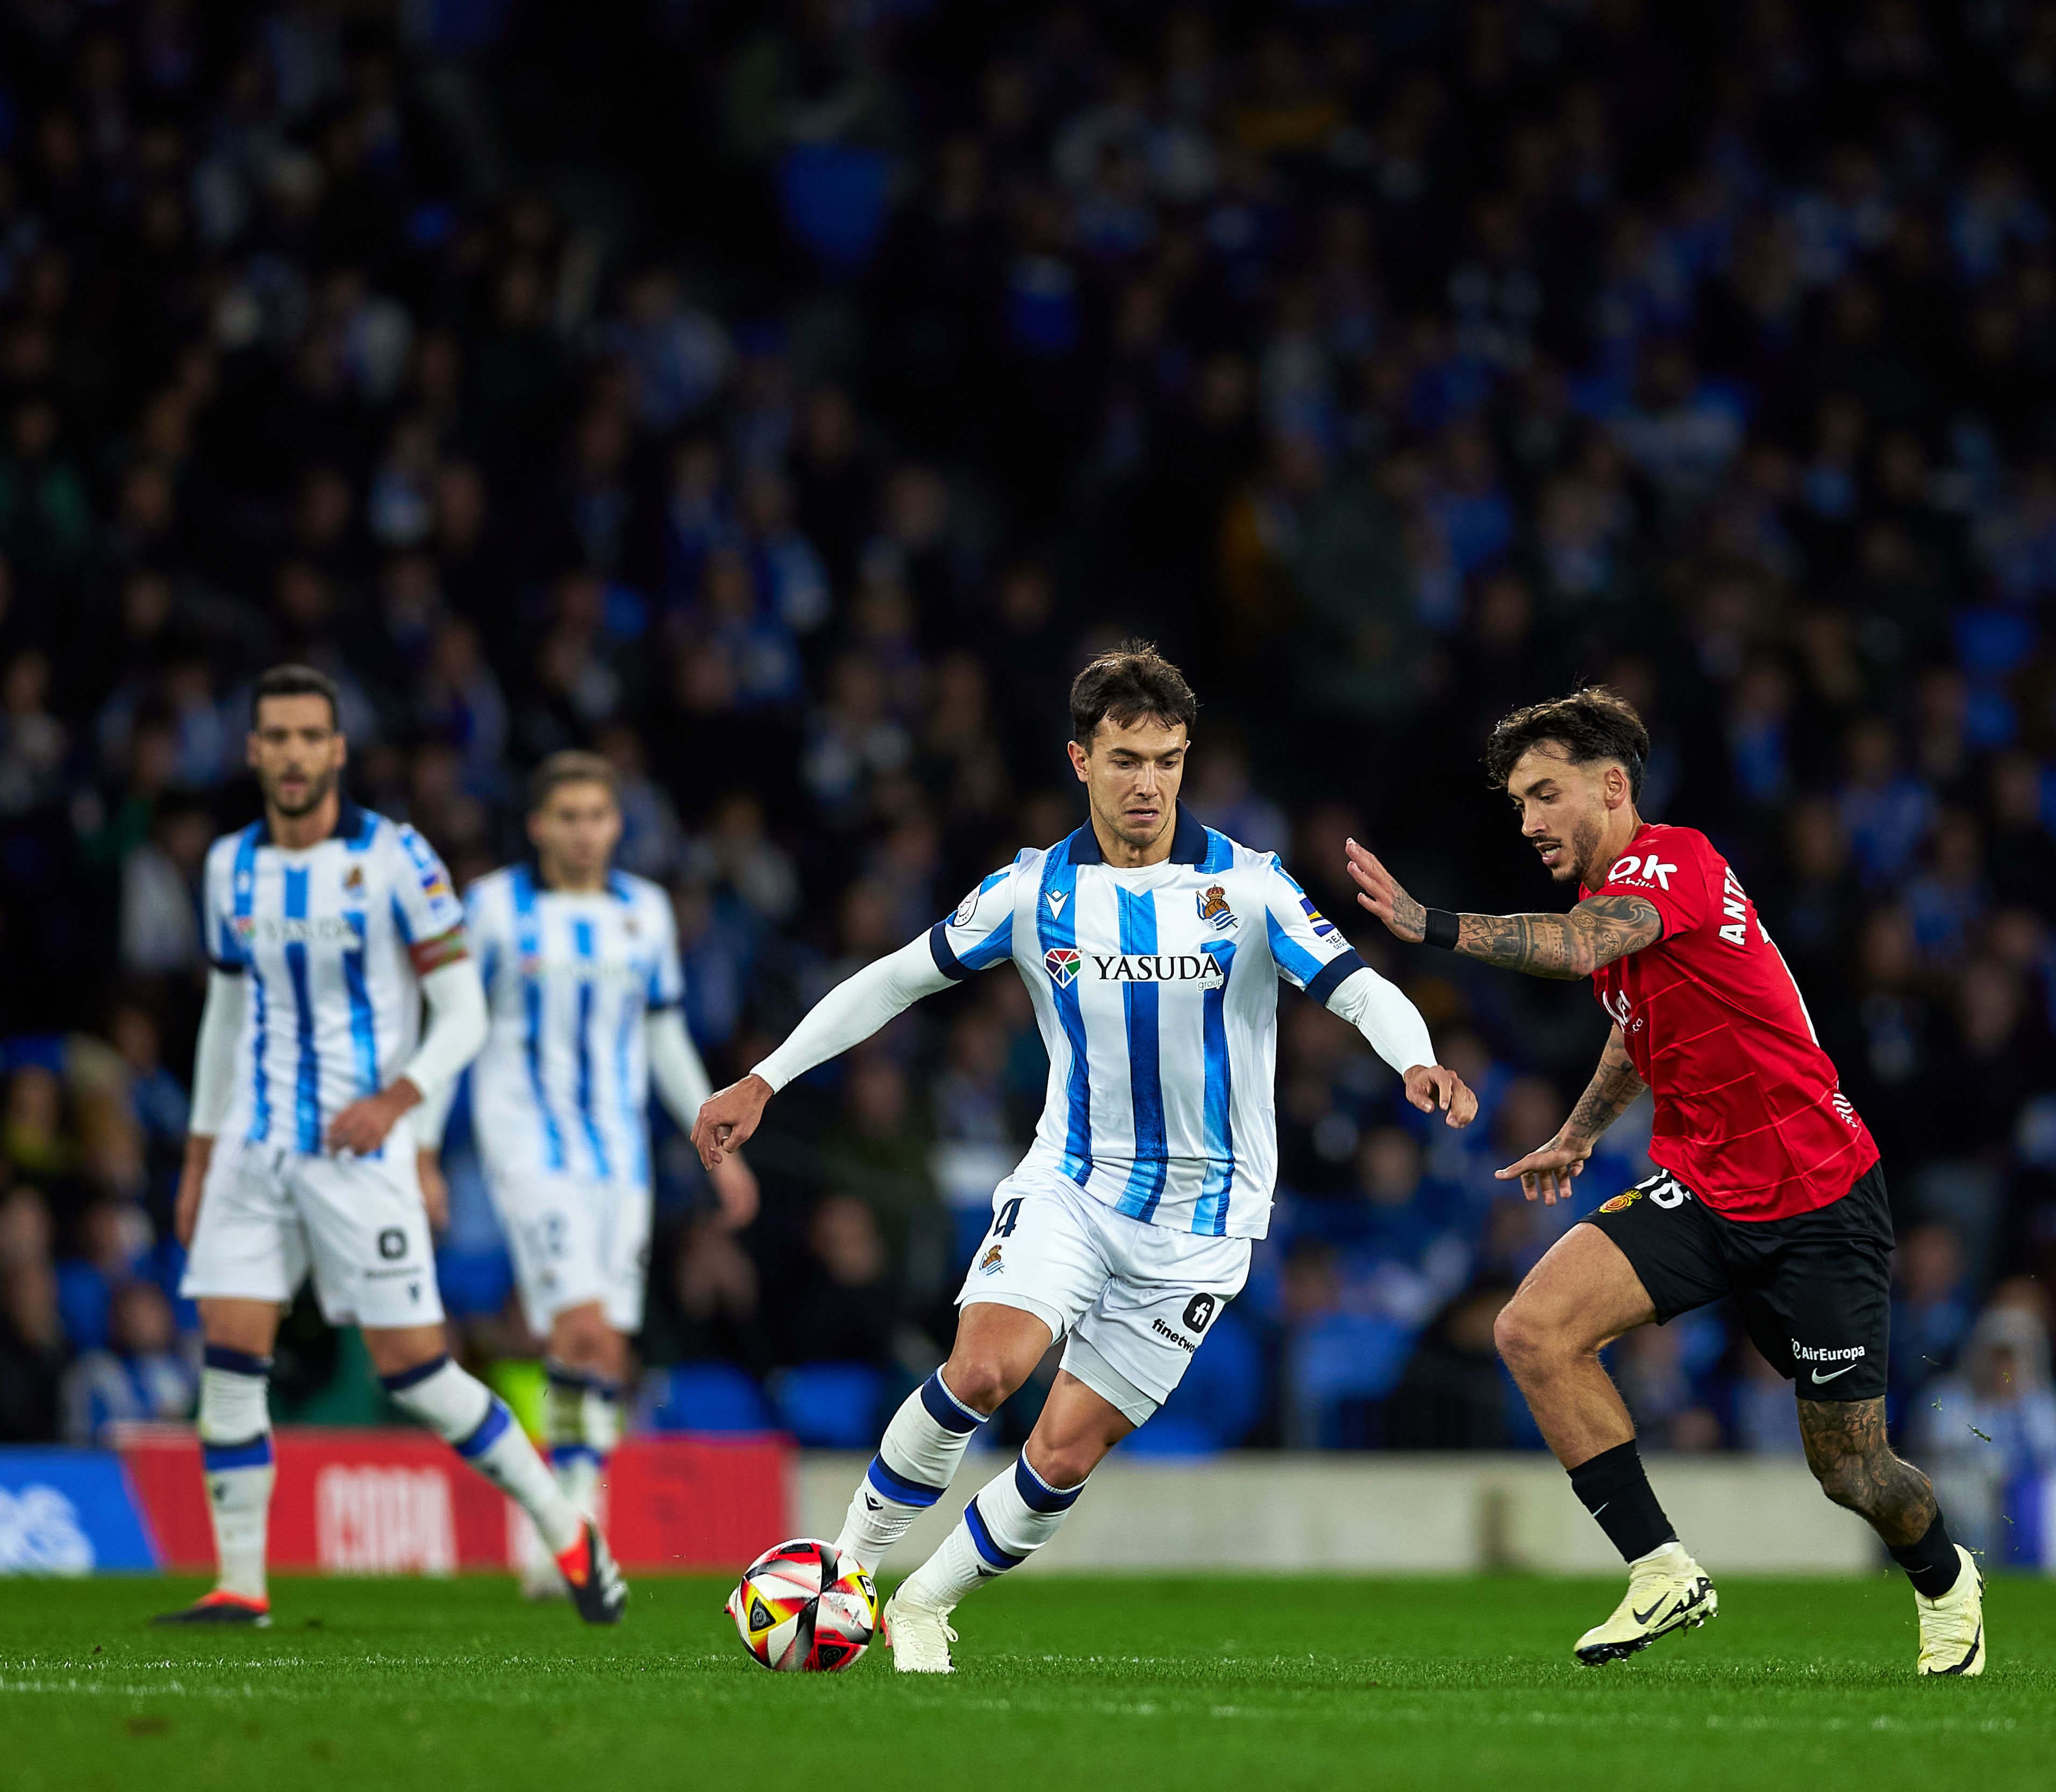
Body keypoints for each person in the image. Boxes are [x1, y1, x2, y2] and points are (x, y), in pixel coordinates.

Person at [690, 641, 1474, 1673]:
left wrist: (1415, 1057)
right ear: (1081, 760)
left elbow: (1359, 985)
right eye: (1124, 759)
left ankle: (927, 1602)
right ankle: (847, 1570)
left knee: (1061, 1449)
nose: (1147, 783)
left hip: (1205, 1224)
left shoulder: (1248, 887)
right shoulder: (1031, 892)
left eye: (1166, 759)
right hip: (1074, 1181)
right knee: (981, 1369)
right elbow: (894, 979)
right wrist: (767, 1076)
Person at [1341, 687, 1984, 1675]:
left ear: (1612, 786)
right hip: (1705, 1184)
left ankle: (1945, 1579)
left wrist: (1430, 923)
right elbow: (1637, 1030)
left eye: (1546, 792)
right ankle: (1660, 1568)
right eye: (1519, 802)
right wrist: (1579, 1131)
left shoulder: (1671, 860)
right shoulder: (1628, 915)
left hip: (1818, 1195)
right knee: (1533, 1328)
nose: (1530, 821)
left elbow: (1578, 947)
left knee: (1851, 1469)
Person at [165, 666, 624, 1627]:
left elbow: (462, 1008)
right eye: (275, 737)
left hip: (359, 1151)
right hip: (252, 1148)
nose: (292, 754)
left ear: (337, 751)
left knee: (416, 1368)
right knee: (228, 1354)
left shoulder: (398, 859)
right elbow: (223, 1012)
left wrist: (400, 1103)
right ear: (253, 751)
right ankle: (241, 1582)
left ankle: (565, 1527)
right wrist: (202, 1153)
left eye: (308, 737)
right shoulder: (227, 868)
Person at [460, 751, 756, 1596]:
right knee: (581, 1327)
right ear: (538, 826)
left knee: (602, 1346)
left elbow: (663, 1034)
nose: (585, 831)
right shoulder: (492, 910)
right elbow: (453, 1023)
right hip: (527, 1142)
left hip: (618, 1158)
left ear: (617, 825)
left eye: (599, 815)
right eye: (569, 816)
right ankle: (565, 1529)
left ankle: (568, 1521)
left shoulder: (644, 913)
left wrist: (717, 1137)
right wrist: (414, 1139)